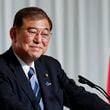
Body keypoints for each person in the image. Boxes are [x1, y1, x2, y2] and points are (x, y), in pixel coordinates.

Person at [0, 7, 109, 110]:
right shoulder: (2, 68)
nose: (38, 40)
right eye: (32, 32)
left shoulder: (50, 66)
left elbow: (78, 97)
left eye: (45, 34)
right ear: (13, 34)